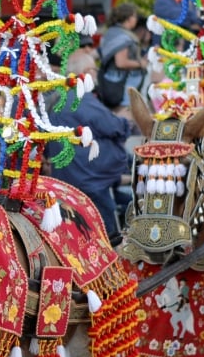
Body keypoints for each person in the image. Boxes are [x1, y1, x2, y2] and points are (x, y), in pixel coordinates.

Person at [45, 51, 138, 238]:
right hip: (89, 178)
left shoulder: (58, 97)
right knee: (107, 235)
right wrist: (124, 120)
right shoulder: (80, 98)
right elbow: (113, 126)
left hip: (67, 178)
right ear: (87, 72)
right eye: (95, 70)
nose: (96, 74)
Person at [97, 3, 146, 109]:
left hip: (112, 79)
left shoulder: (112, 32)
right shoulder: (122, 36)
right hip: (121, 84)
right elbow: (121, 62)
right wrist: (140, 63)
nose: (136, 19)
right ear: (128, 18)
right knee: (123, 112)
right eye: (134, 16)